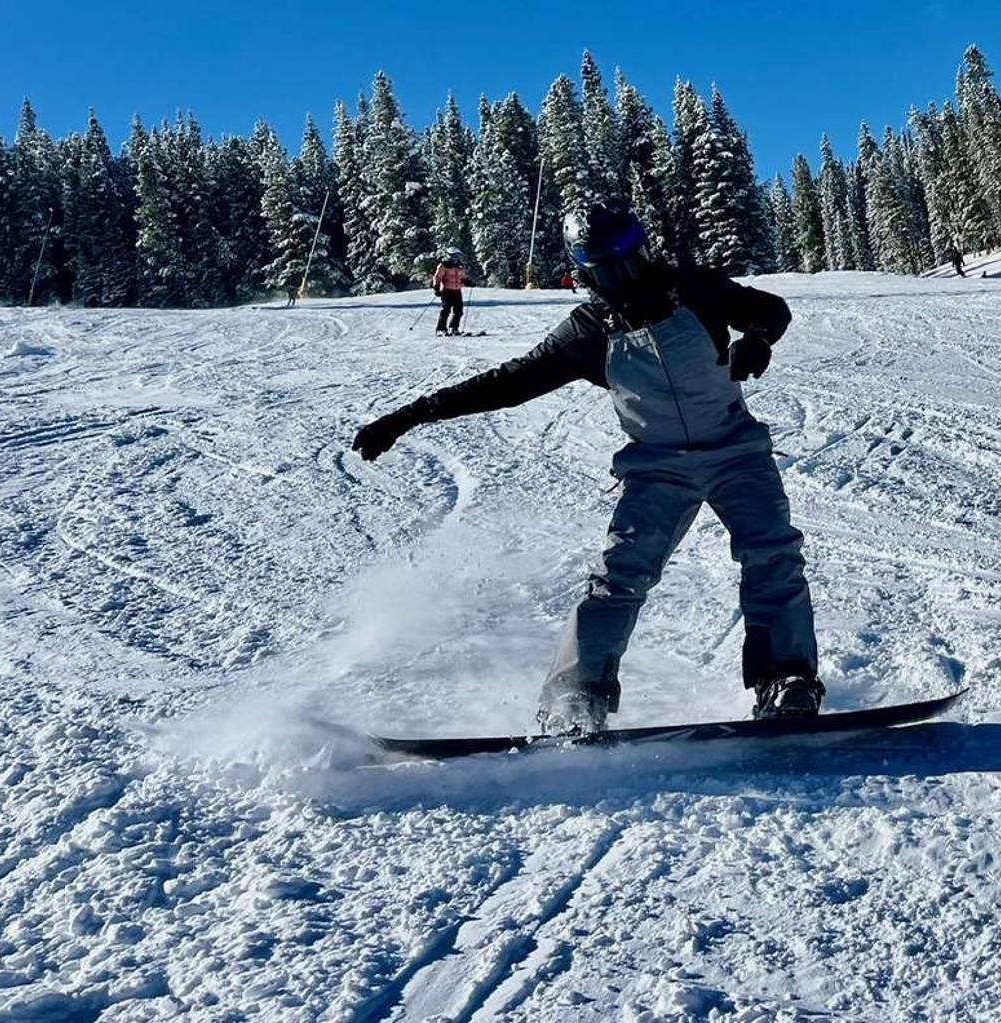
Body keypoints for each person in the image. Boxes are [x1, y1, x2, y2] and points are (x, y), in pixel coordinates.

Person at [351, 201, 822, 734]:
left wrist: (757, 339)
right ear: (586, 272)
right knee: (619, 578)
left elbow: (771, 309)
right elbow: (508, 384)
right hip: (658, 469)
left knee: (773, 556)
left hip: (737, 451)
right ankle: (576, 697)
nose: (626, 272)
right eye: (608, 264)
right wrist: (411, 415)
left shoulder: (692, 287)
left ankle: (785, 680)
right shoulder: (588, 332)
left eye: (630, 255)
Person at [431, 249, 470, 335]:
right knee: (446, 310)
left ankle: (454, 327)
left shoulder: (460, 266)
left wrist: (468, 281)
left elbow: (463, 277)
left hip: (457, 291)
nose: (456, 259)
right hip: (447, 291)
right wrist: (436, 287)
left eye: (458, 257)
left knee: (459, 311)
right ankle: (441, 329)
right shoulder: (444, 265)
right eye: (454, 256)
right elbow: (437, 277)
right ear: (450, 257)